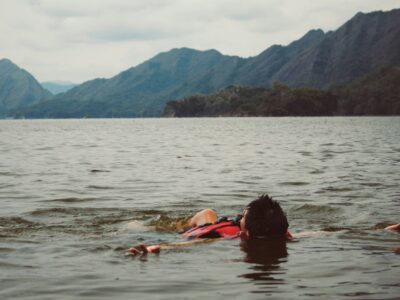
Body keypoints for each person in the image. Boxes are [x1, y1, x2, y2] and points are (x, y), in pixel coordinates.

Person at [126, 194, 290, 256]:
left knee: (207, 213)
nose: (239, 217)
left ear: (245, 234)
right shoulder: (277, 231)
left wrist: (152, 248)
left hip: (194, 231)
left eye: (243, 217)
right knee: (209, 214)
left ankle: (133, 225)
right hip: (211, 224)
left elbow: (193, 243)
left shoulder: (223, 239)